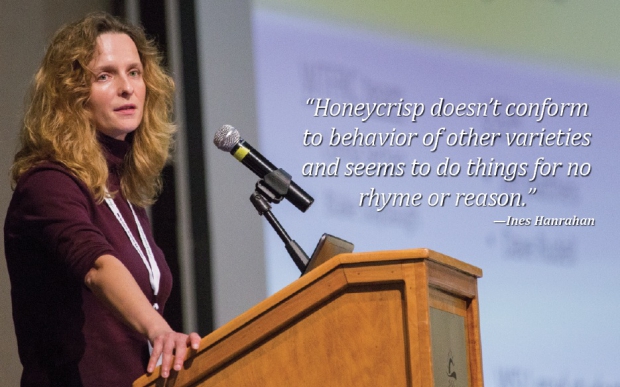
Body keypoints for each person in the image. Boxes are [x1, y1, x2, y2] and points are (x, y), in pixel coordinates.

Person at [4, 12, 201, 386]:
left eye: (134, 72)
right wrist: (161, 331)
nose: (126, 88)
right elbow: (95, 265)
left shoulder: (122, 190)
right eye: (105, 75)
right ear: (71, 95)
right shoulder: (48, 183)